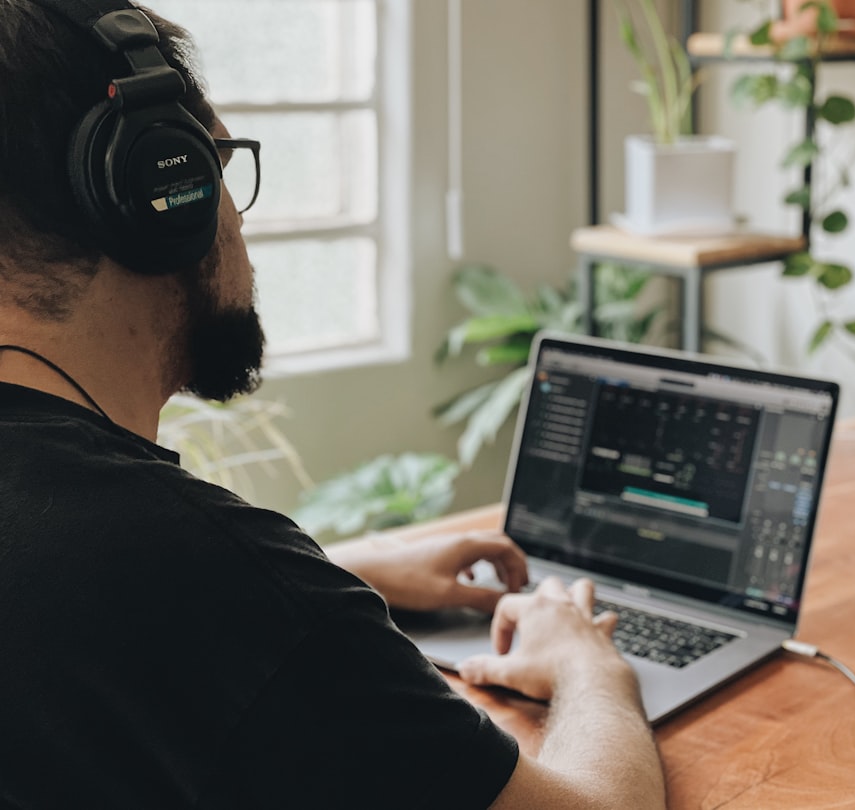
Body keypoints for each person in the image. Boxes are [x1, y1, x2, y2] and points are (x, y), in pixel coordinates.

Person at [0, 1, 665, 808]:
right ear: (157, 194)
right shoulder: (186, 562)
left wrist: (334, 581)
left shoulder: (155, 576)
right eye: (217, 167)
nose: (238, 220)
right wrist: (590, 670)